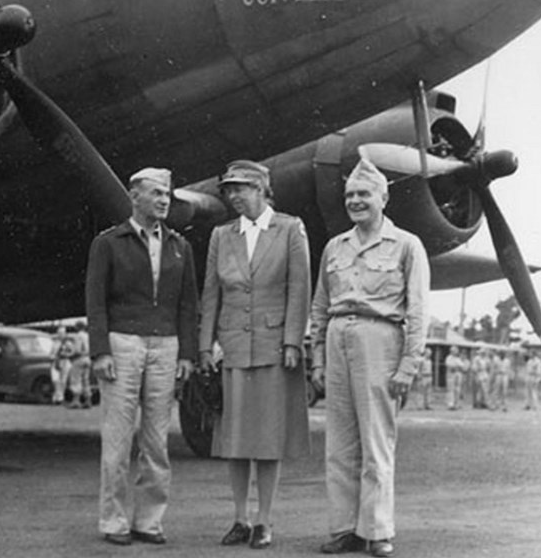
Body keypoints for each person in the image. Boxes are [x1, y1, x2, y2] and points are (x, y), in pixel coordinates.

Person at [309, 156, 430, 557]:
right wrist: (318, 361)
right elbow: (320, 306)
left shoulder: (407, 245)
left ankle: (377, 530)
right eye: (350, 195)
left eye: (364, 194)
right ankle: (345, 529)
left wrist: (407, 366)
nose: (356, 201)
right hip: (337, 337)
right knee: (339, 444)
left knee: (377, 441)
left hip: (381, 341)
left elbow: (417, 312)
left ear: (384, 197)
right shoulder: (334, 247)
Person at [199, 160, 311, 550]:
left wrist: (294, 341)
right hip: (231, 347)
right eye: (228, 189)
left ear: (262, 189)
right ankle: (239, 518)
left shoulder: (290, 229)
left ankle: (264, 520)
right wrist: (204, 344)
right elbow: (211, 292)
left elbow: (299, 288)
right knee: (234, 440)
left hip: (273, 347)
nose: (233, 196)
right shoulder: (221, 235)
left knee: (267, 440)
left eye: (241, 188)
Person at [86, 167, 198, 546]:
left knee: (156, 441)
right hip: (122, 345)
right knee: (117, 441)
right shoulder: (109, 242)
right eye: (155, 193)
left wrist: (187, 353)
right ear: (134, 197)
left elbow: (188, 305)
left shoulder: (180, 246)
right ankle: (114, 520)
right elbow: (95, 302)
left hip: (165, 346)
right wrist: (100, 350)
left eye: (167, 193)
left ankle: (149, 521)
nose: (164, 200)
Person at [67, 321, 92, 409]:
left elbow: (77, 350)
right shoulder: (88, 336)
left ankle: (76, 400)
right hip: (87, 358)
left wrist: (70, 354)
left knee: (76, 379)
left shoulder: (78, 336)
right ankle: (88, 399)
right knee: (86, 379)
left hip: (79, 359)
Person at [51, 325, 74, 405]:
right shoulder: (55, 342)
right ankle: (57, 395)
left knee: (63, 380)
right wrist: (53, 356)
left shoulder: (68, 343)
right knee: (55, 379)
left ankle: (60, 397)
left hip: (65, 362)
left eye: (62, 333)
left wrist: (66, 354)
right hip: (56, 362)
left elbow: (72, 352)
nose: (60, 334)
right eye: (59, 333)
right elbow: (51, 352)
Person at [445, 346, 465, 410]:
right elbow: (449, 365)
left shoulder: (457, 358)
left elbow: (462, 366)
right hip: (451, 374)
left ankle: (456, 404)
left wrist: (458, 367)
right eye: (454, 351)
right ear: (451, 351)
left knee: (457, 389)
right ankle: (451, 404)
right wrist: (457, 366)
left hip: (458, 374)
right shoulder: (449, 358)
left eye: (456, 351)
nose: (456, 352)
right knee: (451, 389)